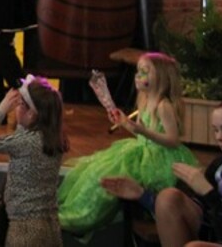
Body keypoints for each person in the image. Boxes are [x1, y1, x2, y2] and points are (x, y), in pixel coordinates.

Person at [57, 52, 198, 236]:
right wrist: (124, 122)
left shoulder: (164, 106)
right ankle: (73, 212)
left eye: (144, 72)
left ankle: (83, 218)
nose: (138, 76)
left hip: (159, 158)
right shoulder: (144, 100)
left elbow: (172, 140)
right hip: (142, 149)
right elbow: (140, 133)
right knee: (94, 169)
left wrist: (143, 132)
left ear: (161, 77)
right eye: (138, 71)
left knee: (111, 173)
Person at [101, 88, 222, 247]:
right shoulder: (220, 166)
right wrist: (142, 195)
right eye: (215, 130)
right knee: (168, 197)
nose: (219, 137)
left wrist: (208, 191)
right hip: (221, 239)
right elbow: (206, 218)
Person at [0, 75, 68, 247]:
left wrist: (1, 109)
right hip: (50, 227)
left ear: (31, 114)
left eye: (20, 104)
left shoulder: (25, 142)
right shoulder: (54, 138)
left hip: (25, 230)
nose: (15, 107)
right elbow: (22, 128)